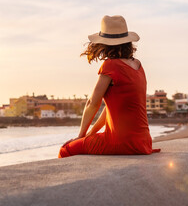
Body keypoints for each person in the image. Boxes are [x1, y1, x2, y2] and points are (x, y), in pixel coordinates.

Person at [59, 15, 161, 158]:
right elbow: (110, 109)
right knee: (85, 142)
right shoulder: (138, 65)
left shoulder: (110, 65)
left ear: (105, 44)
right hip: (143, 142)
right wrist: (90, 134)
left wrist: (80, 136)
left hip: (121, 142)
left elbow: (92, 103)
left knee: (66, 149)